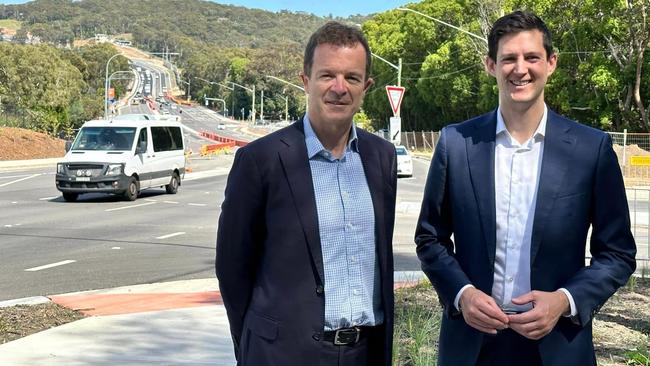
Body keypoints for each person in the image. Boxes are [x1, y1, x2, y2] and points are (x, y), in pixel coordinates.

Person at [415, 10, 636, 366]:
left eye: (532, 57)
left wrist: (565, 299)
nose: (520, 69)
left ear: (551, 63)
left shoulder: (590, 149)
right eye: (508, 58)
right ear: (490, 65)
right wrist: (462, 294)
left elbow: (618, 253)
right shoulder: (456, 143)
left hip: (557, 344)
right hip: (473, 346)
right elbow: (430, 239)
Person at [216, 21, 397, 366]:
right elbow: (232, 267)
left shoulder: (382, 157)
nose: (339, 88)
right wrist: (254, 343)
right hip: (282, 354)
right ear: (306, 81)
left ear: (367, 87)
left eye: (352, 78)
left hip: (366, 353)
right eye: (327, 75)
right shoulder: (260, 160)